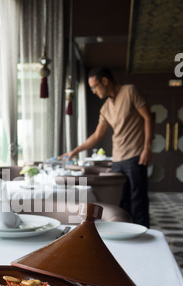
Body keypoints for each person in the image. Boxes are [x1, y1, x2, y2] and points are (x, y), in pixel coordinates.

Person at [62, 67, 153, 228]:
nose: (93, 92)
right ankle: (124, 234)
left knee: (138, 200)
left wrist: (147, 147)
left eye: (94, 87)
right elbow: (97, 135)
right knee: (120, 203)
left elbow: (148, 117)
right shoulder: (105, 108)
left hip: (135, 156)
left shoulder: (130, 91)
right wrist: (75, 151)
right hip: (117, 159)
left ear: (105, 81)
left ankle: (143, 235)